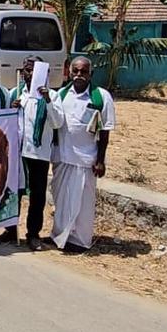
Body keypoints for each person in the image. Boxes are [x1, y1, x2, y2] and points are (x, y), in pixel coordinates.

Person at [51, 57, 114, 252]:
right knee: (61, 201)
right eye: (75, 71)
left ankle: (80, 241)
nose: (79, 75)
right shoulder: (61, 95)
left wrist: (101, 160)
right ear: (69, 73)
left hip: (87, 160)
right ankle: (59, 237)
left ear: (90, 74)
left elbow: (105, 130)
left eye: (83, 72)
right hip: (62, 157)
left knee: (84, 204)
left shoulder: (101, 96)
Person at [3, 56, 65, 250]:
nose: (29, 74)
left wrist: (46, 100)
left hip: (39, 154)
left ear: (43, 73)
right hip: (18, 153)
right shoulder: (16, 93)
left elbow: (57, 123)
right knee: (15, 192)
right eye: (26, 70)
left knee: (37, 196)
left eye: (33, 70)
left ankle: (33, 233)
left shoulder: (53, 96)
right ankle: (10, 230)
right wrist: (11, 110)